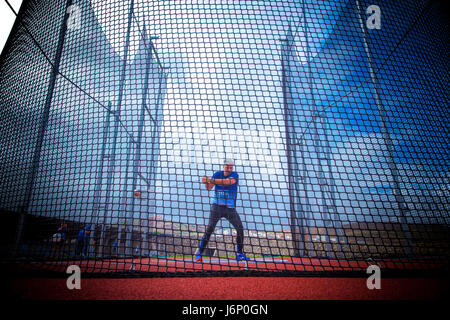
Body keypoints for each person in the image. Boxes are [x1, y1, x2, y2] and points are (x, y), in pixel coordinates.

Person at [195, 159, 249, 262]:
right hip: (216, 208)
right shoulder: (217, 174)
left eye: (231, 167)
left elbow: (228, 182)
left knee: (240, 229)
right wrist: (206, 182)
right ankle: (199, 253)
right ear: (223, 166)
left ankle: (239, 254)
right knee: (209, 229)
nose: (229, 169)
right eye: (227, 166)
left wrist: (210, 180)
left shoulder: (234, 175)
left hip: (230, 209)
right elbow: (209, 188)